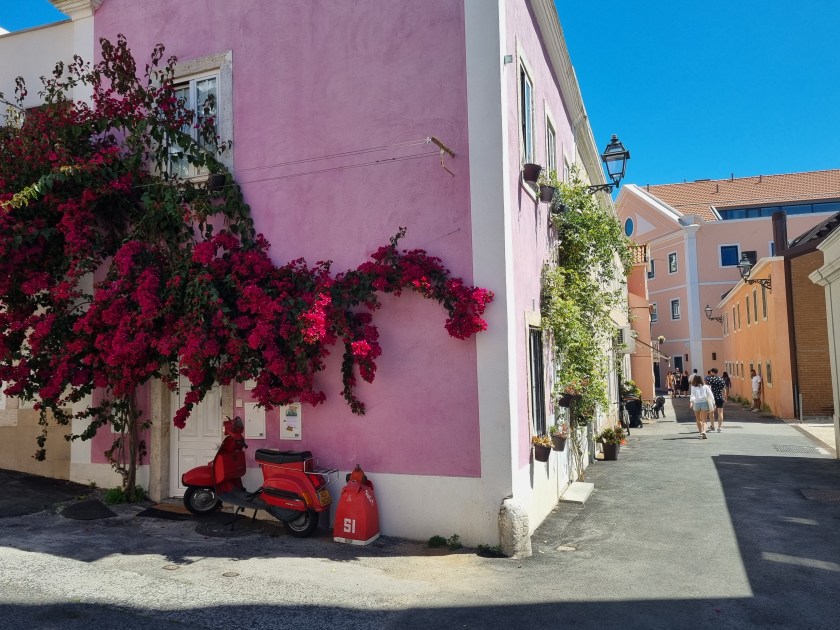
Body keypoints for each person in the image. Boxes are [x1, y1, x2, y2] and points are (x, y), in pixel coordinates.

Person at [689, 374, 713, 439]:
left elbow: (692, 395)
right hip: (704, 403)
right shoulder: (705, 386)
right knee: (704, 420)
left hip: (696, 403)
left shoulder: (693, 387)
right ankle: (704, 432)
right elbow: (710, 395)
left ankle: (700, 432)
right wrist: (713, 403)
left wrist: (691, 402)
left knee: (698, 419)